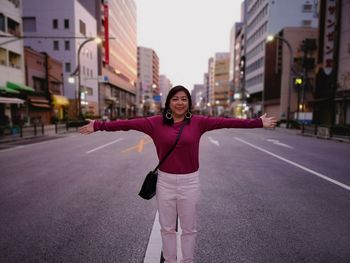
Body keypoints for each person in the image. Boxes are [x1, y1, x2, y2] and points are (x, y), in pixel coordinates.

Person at [79, 85, 277, 263]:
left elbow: (227, 122)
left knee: (189, 229)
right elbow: (127, 124)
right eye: (175, 99)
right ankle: (171, 261)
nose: (180, 102)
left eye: (184, 99)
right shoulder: (154, 123)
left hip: (190, 182)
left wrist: (258, 122)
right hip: (165, 182)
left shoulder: (199, 122)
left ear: (189, 103)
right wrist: (98, 126)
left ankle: (187, 261)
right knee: (167, 229)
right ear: (168, 103)